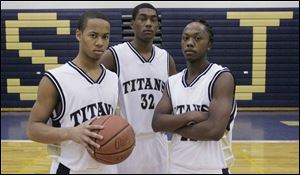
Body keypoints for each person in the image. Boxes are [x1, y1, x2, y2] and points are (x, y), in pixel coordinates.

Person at [27, 11, 119, 174]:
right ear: (78, 35)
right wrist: (71, 132)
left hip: (108, 169)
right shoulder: (55, 79)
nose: (100, 42)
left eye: (105, 37)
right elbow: (33, 129)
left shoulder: (113, 79)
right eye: (93, 35)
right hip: (70, 168)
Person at [99, 3, 177, 174]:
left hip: (158, 141)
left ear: (157, 25)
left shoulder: (166, 59)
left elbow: (175, 101)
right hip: (124, 140)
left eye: (153, 19)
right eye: (143, 18)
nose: (148, 23)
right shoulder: (114, 56)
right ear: (132, 24)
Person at [152, 19, 237, 174]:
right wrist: (190, 116)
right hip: (177, 166)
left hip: (213, 168)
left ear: (209, 44)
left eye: (197, 38)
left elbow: (214, 131)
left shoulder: (221, 78)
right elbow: (157, 123)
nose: (190, 43)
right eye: (185, 38)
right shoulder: (173, 82)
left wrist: (173, 125)